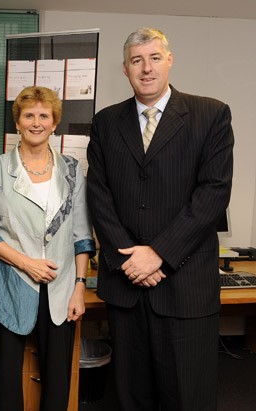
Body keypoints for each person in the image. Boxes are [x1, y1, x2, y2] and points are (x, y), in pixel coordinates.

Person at [87, 28, 234, 411]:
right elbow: (99, 196)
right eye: (137, 60)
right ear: (125, 69)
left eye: (154, 58)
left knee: (188, 396)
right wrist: (127, 260)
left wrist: (159, 254)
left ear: (170, 60)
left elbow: (213, 194)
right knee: (131, 397)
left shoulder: (210, 114)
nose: (146, 68)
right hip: (127, 287)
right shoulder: (105, 123)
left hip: (185, 286)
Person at [0, 86, 95, 411]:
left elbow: (82, 235)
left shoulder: (72, 171)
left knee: (58, 381)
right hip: (10, 284)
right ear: (18, 122)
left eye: (44, 115)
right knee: (7, 381)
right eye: (29, 115)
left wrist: (80, 288)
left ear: (55, 123)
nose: (36, 122)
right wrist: (27, 263)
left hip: (61, 288)